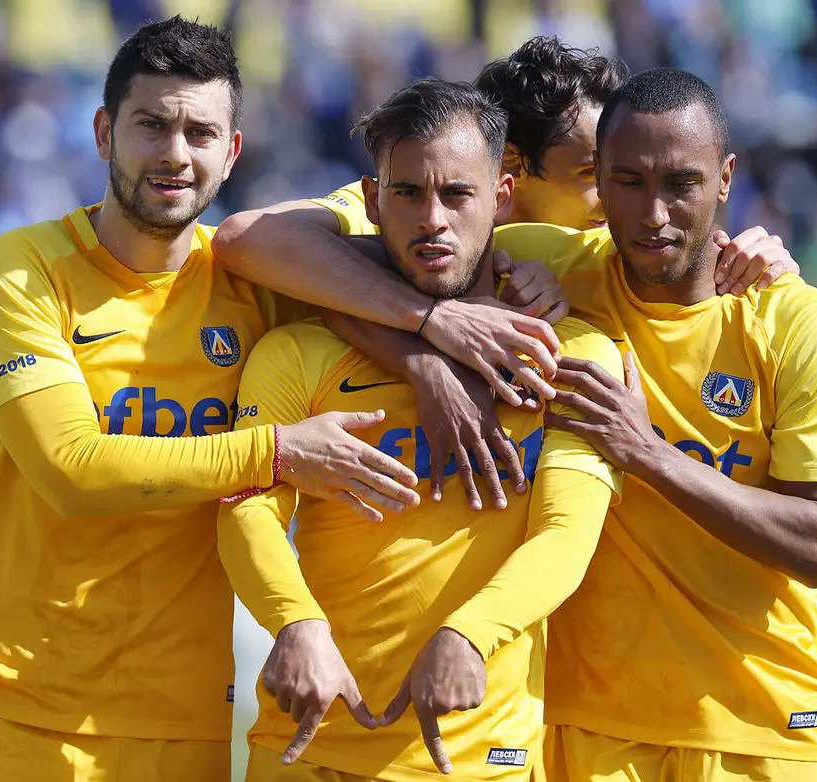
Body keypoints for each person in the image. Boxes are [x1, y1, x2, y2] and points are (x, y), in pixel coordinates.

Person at [0, 17, 431, 782]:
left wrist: (517, 280)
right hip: (22, 716)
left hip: (185, 730)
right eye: (151, 125)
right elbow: (69, 468)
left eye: (200, 133)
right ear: (104, 132)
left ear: (232, 152)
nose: (175, 153)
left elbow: (413, 218)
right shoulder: (22, 269)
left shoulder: (254, 284)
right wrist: (278, 452)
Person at [216, 78, 622, 782]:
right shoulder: (296, 352)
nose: (432, 219)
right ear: (372, 201)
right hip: (309, 748)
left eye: (457, 194)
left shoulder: (571, 353)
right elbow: (247, 506)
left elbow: (566, 534)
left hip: (484, 759)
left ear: (501, 196)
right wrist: (294, 622)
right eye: (407, 193)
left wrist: (471, 634)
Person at [211, 36, 799, 513]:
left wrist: (763, 262)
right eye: (597, 173)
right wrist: (430, 338)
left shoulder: (613, 251)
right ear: (510, 173)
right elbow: (254, 242)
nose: (622, 197)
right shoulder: (417, 199)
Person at [490, 67, 817, 782]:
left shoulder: (800, 324)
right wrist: (450, 317)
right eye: (628, 181)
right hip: (591, 730)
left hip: (764, 725)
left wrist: (647, 453)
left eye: (681, 183)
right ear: (598, 182)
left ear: (725, 179)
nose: (654, 212)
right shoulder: (548, 268)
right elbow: (378, 240)